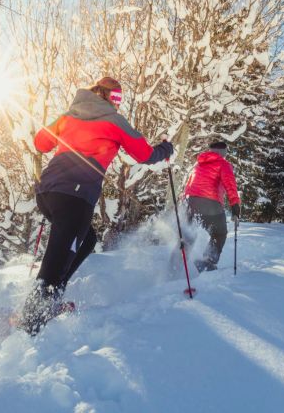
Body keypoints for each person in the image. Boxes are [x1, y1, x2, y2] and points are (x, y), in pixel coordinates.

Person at [21, 77, 173, 335]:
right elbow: (144, 154)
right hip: (75, 197)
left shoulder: (69, 115)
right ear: (103, 95)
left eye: (119, 100)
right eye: (115, 98)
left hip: (47, 193)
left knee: (86, 239)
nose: (117, 104)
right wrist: (165, 148)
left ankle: (50, 298)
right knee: (59, 255)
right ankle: (33, 321)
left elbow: (40, 144)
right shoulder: (114, 121)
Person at [182, 140, 241, 272]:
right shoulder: (223, 164)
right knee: (219, 233)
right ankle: (207, 261)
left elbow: (189, 185)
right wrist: (235, 206)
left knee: (188, 234)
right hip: (210, 203)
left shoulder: (198, 164)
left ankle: (178, 262)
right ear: (223, 152)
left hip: (190, 202)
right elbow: (230, 185)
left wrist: (185, 204)